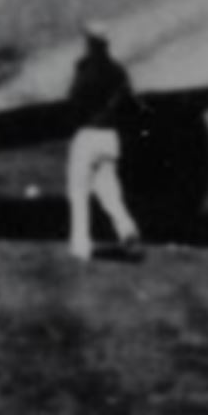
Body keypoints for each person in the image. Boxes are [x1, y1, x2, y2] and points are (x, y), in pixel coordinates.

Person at [64, 27, 145, 262]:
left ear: (90, 43)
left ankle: (81, 245)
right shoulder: (118, 71)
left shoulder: (84, 68)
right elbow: (128, 99)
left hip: (87, 135)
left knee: (78, 192)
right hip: (110, 136)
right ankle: (127, 228)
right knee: (109, 190)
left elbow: (73, 98)